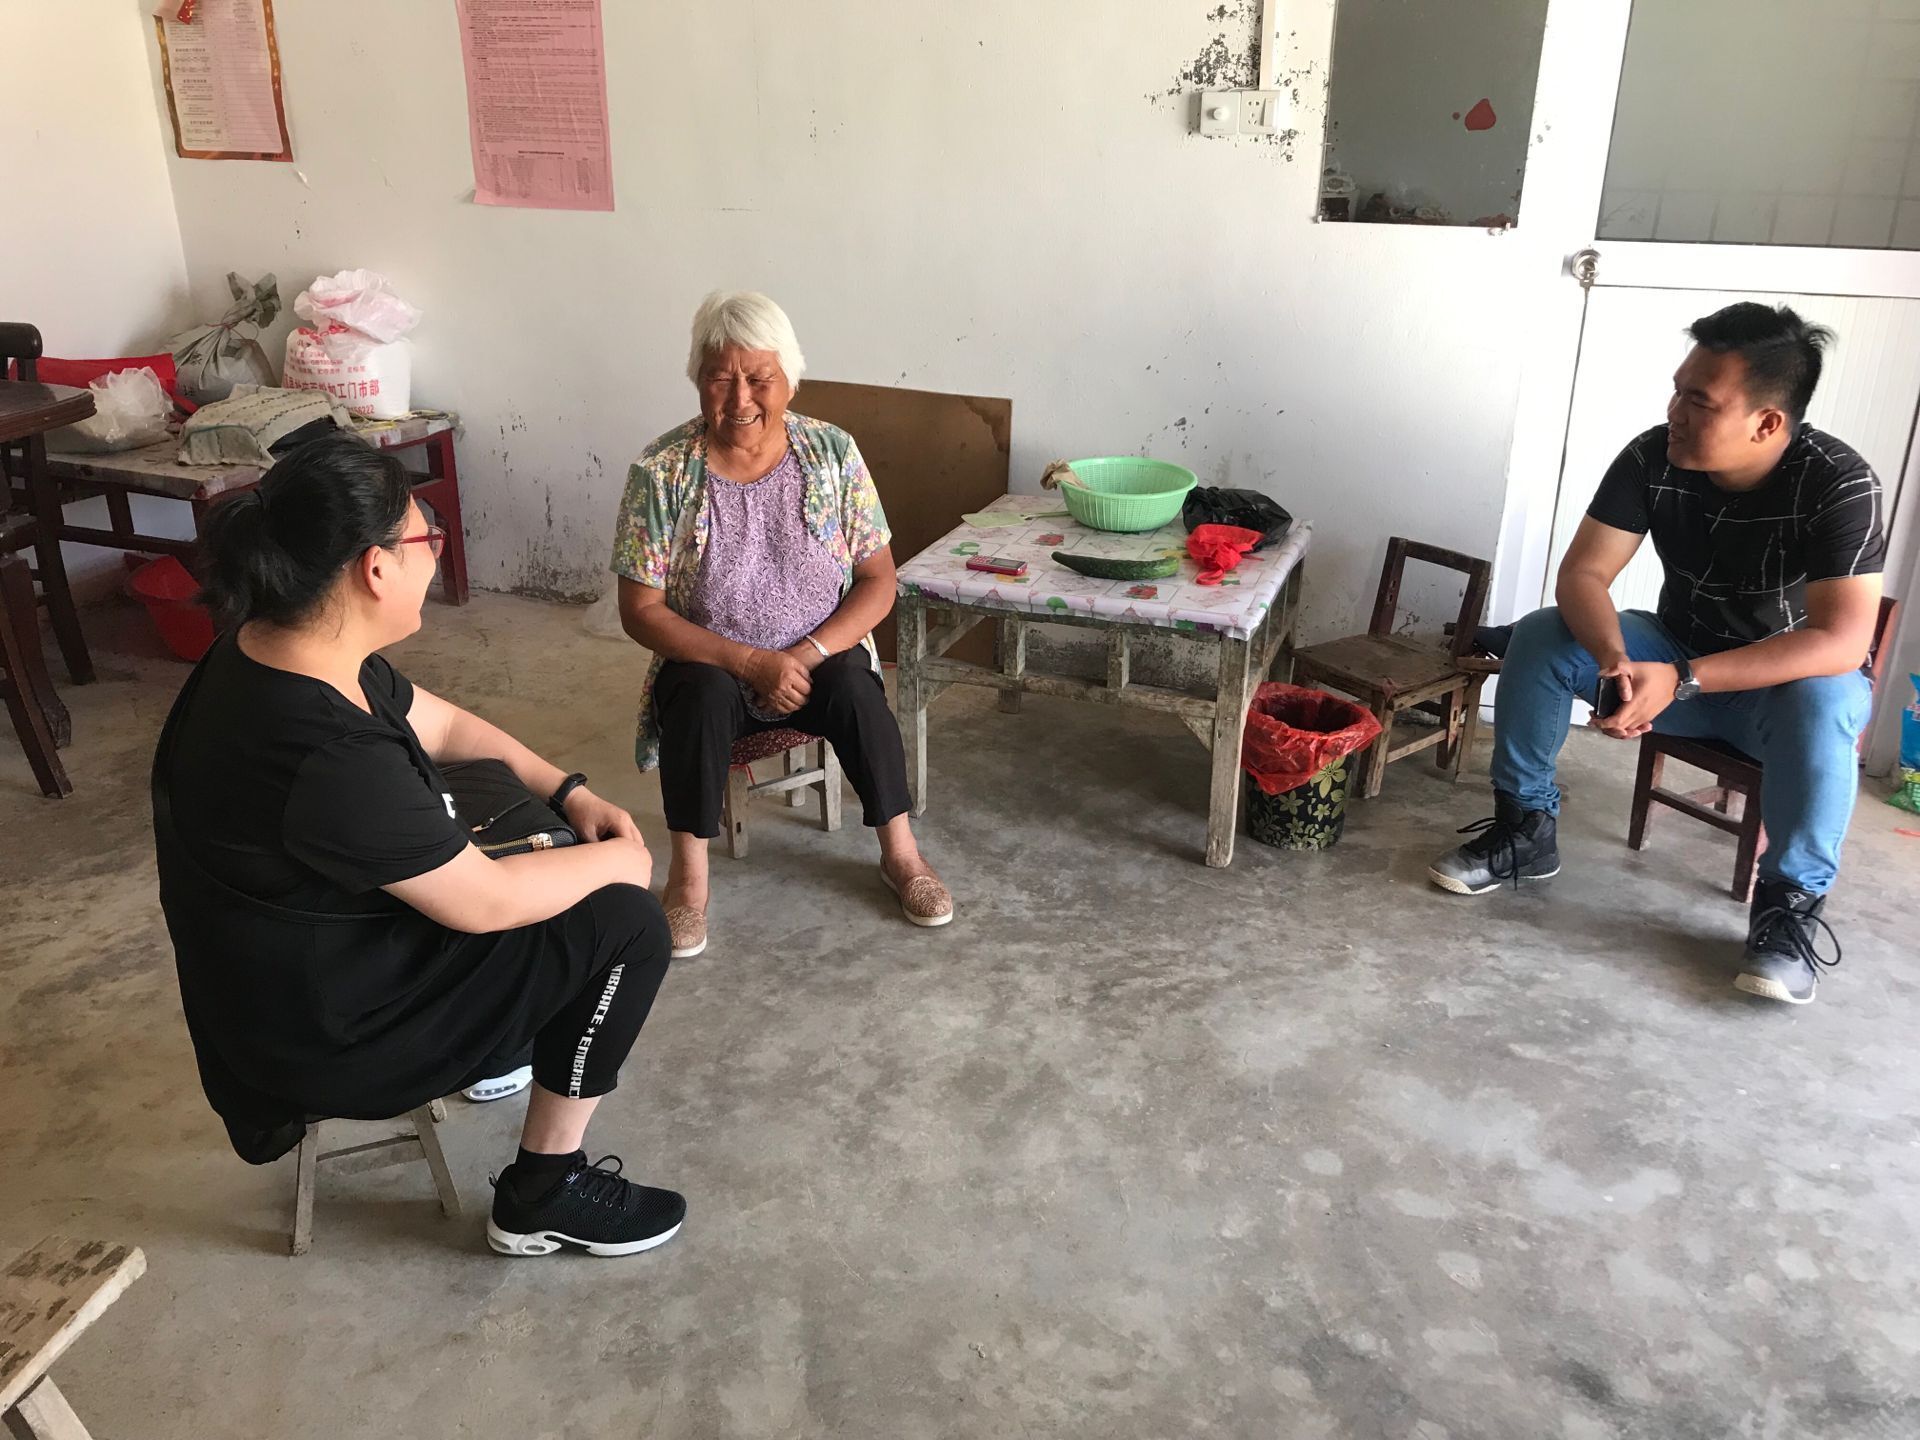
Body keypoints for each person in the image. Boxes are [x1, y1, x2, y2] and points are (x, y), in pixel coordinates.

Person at [153, 431, 684, 1258]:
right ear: (375, 568)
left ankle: (498, 1041)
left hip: (290, 972)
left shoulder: (286, 647)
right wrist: (622, 860)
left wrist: (568, 791)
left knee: (503, 801)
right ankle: (544, 1191)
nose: (434, 553)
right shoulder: (326, 752)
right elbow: (485, 903)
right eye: (424, 537)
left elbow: (446, 728)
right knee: (626, 923)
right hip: (329, 1035)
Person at [1428, 303, 1885, 1005]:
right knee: (1544, 634)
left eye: (1700, 402)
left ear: (1767, 422)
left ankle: (1787, 910)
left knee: (1828, 694)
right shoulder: (1653, 457)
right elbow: (1584, 574)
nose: (1674, 412)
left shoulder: (1837, 483)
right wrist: (1616, 659)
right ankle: (1526, 830)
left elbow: (1842, 641)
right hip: (1671, 654)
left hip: (1774, 696)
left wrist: (1686, 678)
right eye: (1677, 391)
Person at [612, 290, 954, 958]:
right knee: (697, 697)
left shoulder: (831, 452)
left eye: (759, 378)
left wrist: (805, 654)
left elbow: (879, 579)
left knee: (857, 690)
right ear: (698, 380)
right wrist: (747, 662)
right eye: (721, 378)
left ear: (790, 380)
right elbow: (641, 609)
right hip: (712, 661)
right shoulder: (661, 472)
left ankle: (902, 856)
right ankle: (688, 882)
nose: (740, 398)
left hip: (818, 657)